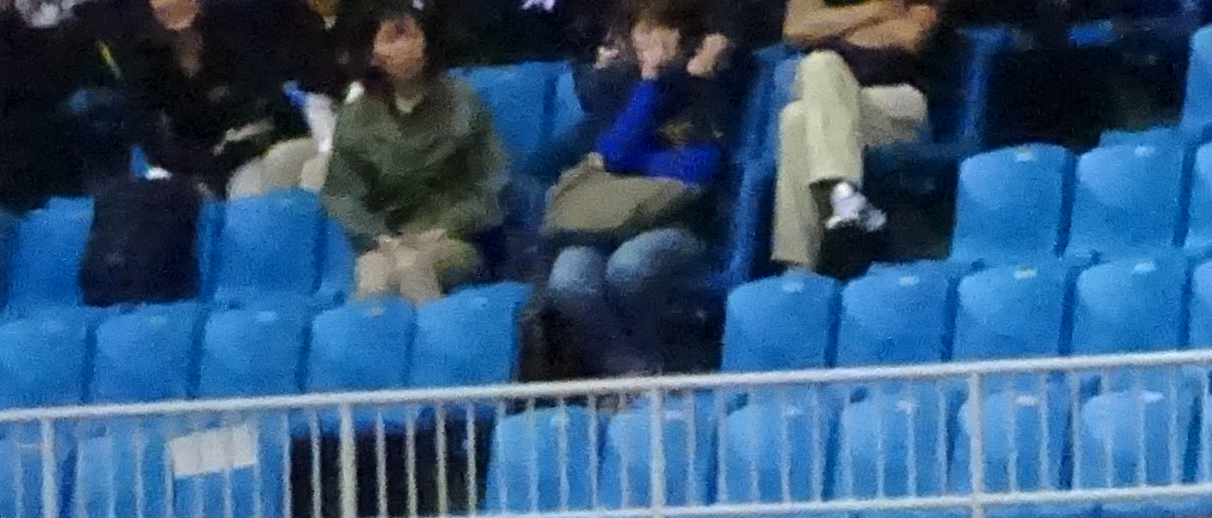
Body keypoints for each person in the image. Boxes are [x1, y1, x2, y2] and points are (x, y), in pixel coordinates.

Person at [534, 5, 741, 379]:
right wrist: (648, 84)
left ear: (683, 36)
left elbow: (699, 167)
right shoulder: (618, 84)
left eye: (663, 29)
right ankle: (633, 370)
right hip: (604, 221)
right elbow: (613, 152)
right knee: (567, 281)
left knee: (629, 269)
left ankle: (646, 374)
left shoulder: (705, 84)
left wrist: (633, 161)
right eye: (643, 31)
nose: (652, 41)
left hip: (677, 220)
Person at [325, 1, 511, 301]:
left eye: (411, 34)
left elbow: (493, 182)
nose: (407, 46)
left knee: (413, 267)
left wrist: (445, 227)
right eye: (393, 38)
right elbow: (341, 195)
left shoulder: (463, 101)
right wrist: (381, 238)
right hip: (387, 241)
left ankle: (436, 347)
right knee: (373, 276)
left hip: (456, 239)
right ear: (373, 55)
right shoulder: (356, 117)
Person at [771, 0, 945, 267]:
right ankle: (802, 265)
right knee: (795, 117)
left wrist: (830, 29)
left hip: (897, 102)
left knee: (819, 63)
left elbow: (908, 37)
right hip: (832, 108)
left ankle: (802, 260)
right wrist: (876, 11)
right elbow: (795, 30)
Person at [98, 0, 317, 197]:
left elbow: (274, 102)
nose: (183, 33)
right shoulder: (145, 72)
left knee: (302, 162)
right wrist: (215, 157)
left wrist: (262, 138)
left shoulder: (229, 47)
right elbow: (156, 146)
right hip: (204, 169)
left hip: (259, 148)